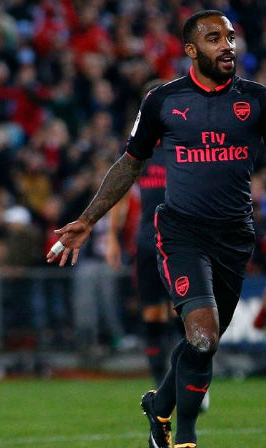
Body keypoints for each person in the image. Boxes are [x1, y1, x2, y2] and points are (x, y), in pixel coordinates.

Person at [46, 10, 266, 448]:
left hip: (234, 238)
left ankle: (158, 407)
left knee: (203, 344)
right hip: (180, 233)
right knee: (203, 335)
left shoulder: (259, 100)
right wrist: (89, 219)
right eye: (214, 38)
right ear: (191, 50)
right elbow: (129, 164)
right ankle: (184, 438)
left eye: (229, 37)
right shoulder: (163, 101)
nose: (227, 45)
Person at [105, 78, 178, 387]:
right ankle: (160, 386)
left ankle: (185, 379)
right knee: (152, 314)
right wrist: (112, 237)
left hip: (180, 242)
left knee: (180, 312)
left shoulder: (184, 144)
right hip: (148, 242)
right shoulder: (141, 148)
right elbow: (120, 193)